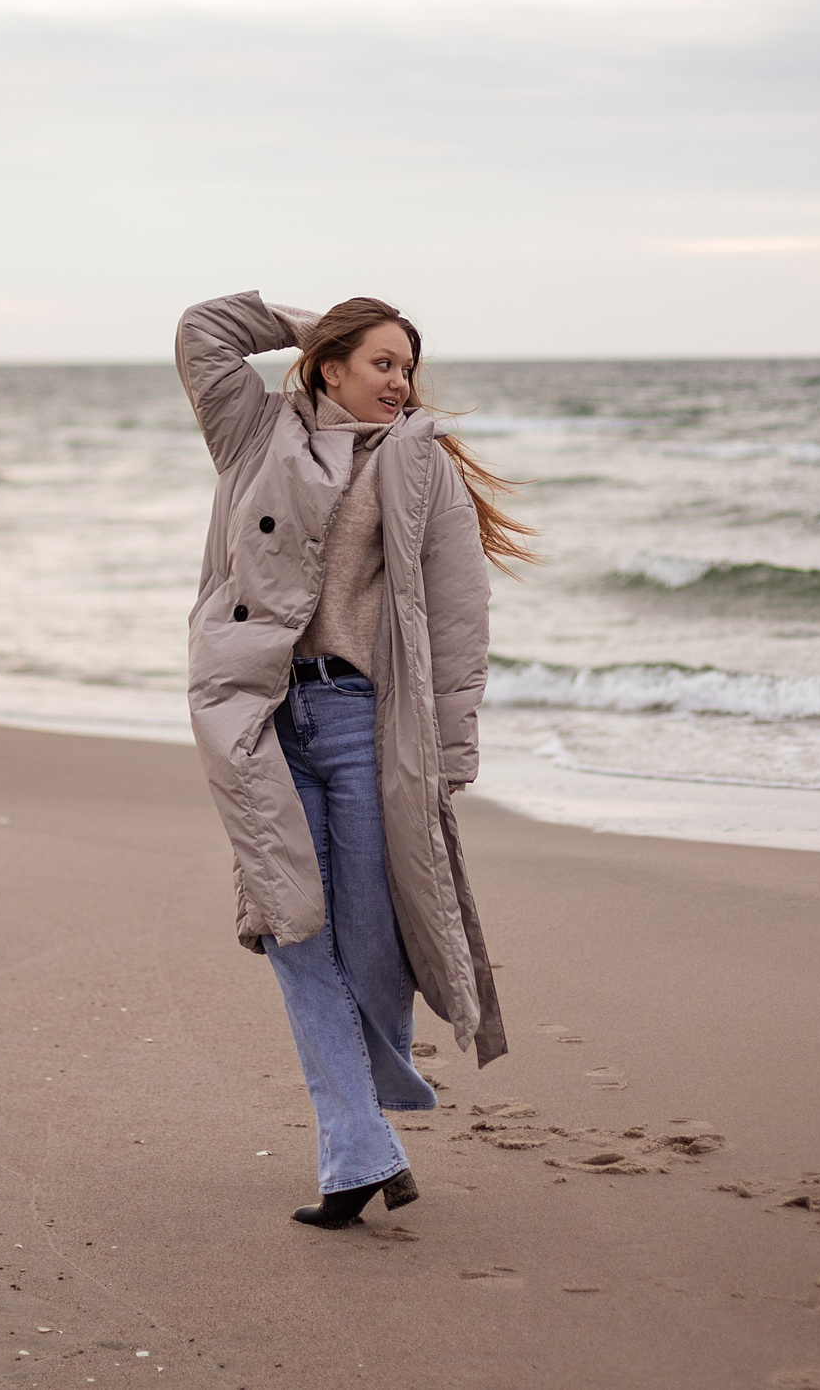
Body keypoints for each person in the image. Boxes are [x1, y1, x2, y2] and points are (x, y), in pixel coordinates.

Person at [176, 291, 536, 1230]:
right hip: (261, 716)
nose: (400, 382)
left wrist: (450, 754)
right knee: (294, 925)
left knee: (375, 940)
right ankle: (358, 1152)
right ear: (331, 366)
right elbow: (203, 332)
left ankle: (365, 1121)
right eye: (382, 363)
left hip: (366, 722)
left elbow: (459, 619)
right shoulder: (255, 434)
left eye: (408, 368)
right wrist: (311, 324)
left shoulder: (422, 469)